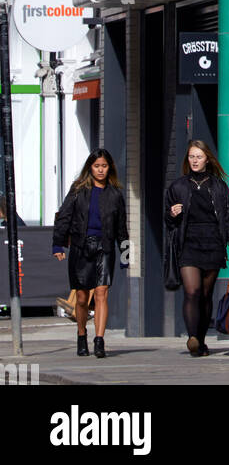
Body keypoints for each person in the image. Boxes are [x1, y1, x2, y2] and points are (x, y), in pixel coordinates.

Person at [165, 140, 229, 356]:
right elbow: (168, 222)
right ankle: (192, 338)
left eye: (199, 157)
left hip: (213, 243)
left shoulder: (218, 186)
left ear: (207, 158)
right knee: (192, 291)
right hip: (188, 244)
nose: (195, 161)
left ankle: (201, 339)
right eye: (191, 157)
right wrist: (172, 214)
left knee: (206, 295)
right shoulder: (178, 186)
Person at [51, 148, 129, 358]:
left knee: (102, 292)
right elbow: (64, 216)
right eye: (97, 166)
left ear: (109, 167)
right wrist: (58, 244)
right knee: (83, 298)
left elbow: (122, 227)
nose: (101, 170)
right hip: (81, 247)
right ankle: (82, 334)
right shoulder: (78, 190)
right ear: (90, 168)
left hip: (104, 248)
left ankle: (100, 340)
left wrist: (125, 255)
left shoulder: (115, 194)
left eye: (104, 166)